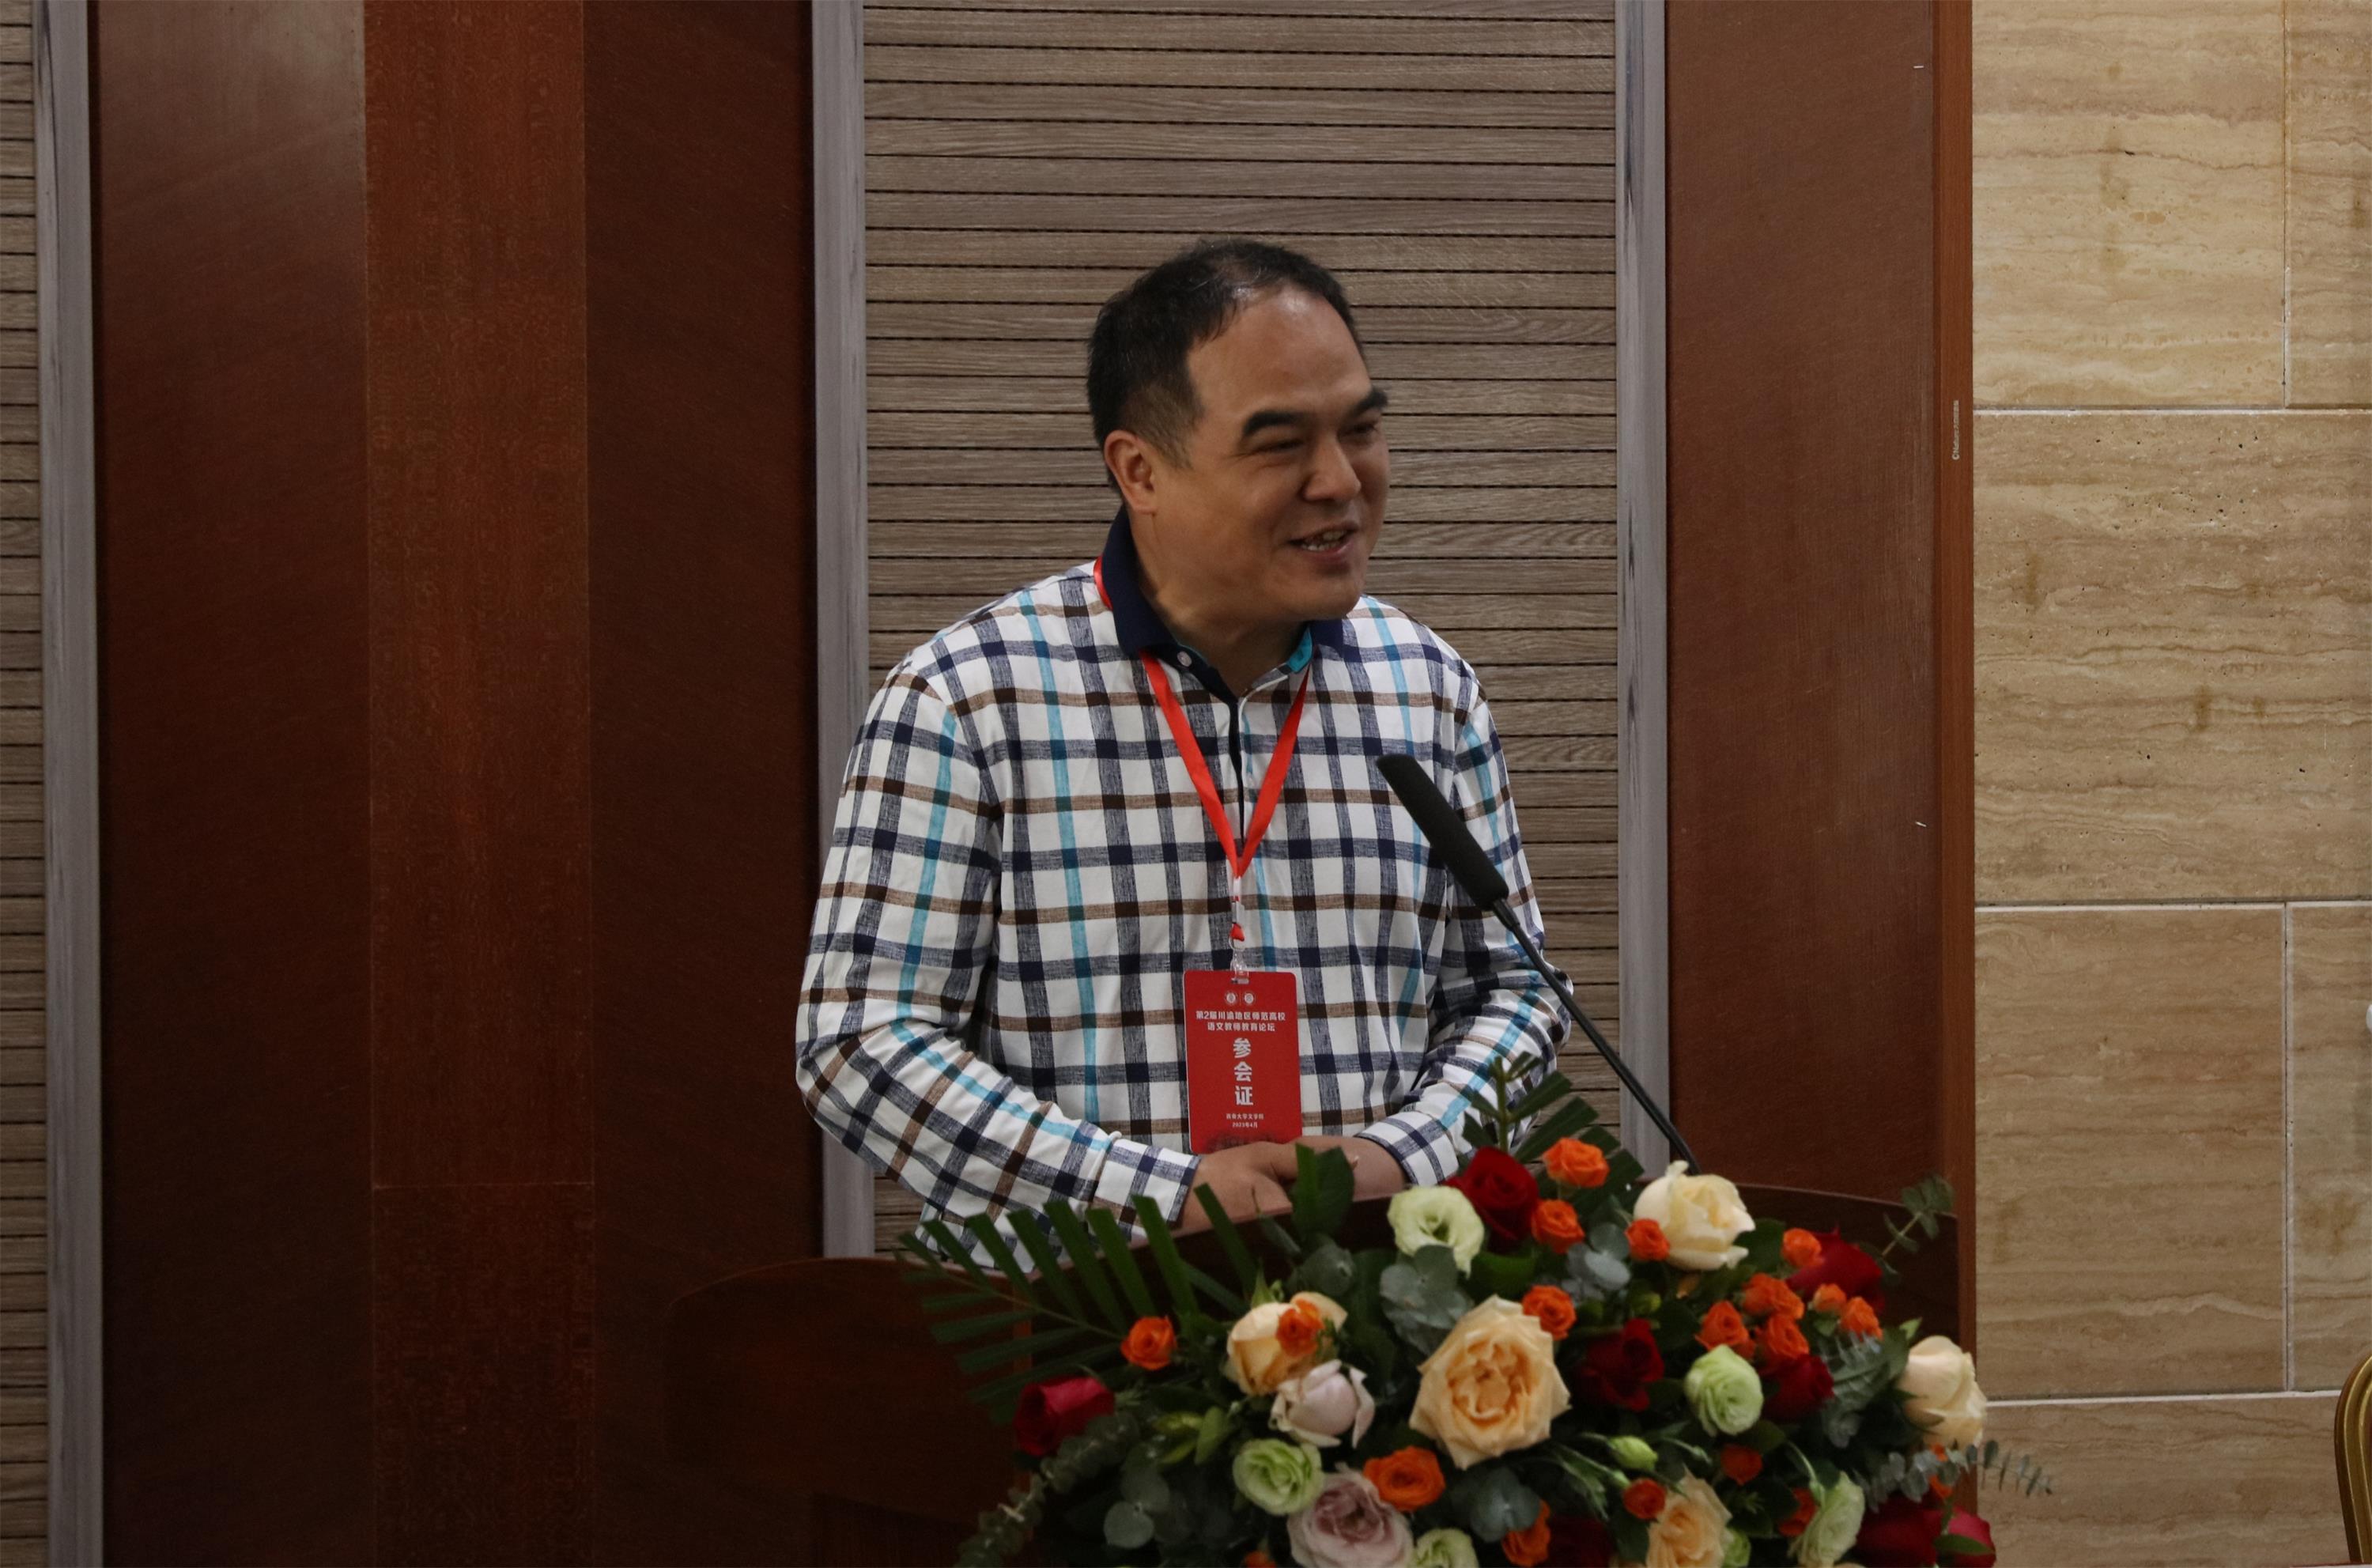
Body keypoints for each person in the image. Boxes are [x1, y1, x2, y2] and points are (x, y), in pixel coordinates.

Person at [795, 238, 1568, 1253]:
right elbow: (860, 1045)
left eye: (1362, 429)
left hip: (1375, 1312)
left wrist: (1397, 1161)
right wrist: (1160, 1196)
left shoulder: (1428, 689)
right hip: (1084, 1312)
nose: (1341, 481)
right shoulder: (968, 700)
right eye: (1281, 445)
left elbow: (1514, 993)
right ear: (1141, 470)